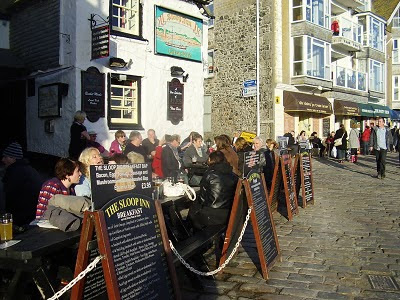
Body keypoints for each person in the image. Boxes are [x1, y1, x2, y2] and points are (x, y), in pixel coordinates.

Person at [187, 151, 238, 230]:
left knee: (192, 213)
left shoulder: (210, 174)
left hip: (211, 214)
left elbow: (202, 198)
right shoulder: (233, 175)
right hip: (229, 212)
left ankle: (187, 236)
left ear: (211, 160)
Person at [1, 142, 43, 226]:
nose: (3, 160)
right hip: (34, 214)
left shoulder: (15, 172)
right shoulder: (29, 169)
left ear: (13, 158)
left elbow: (8, 198)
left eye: (6, 157)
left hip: (23, 218)